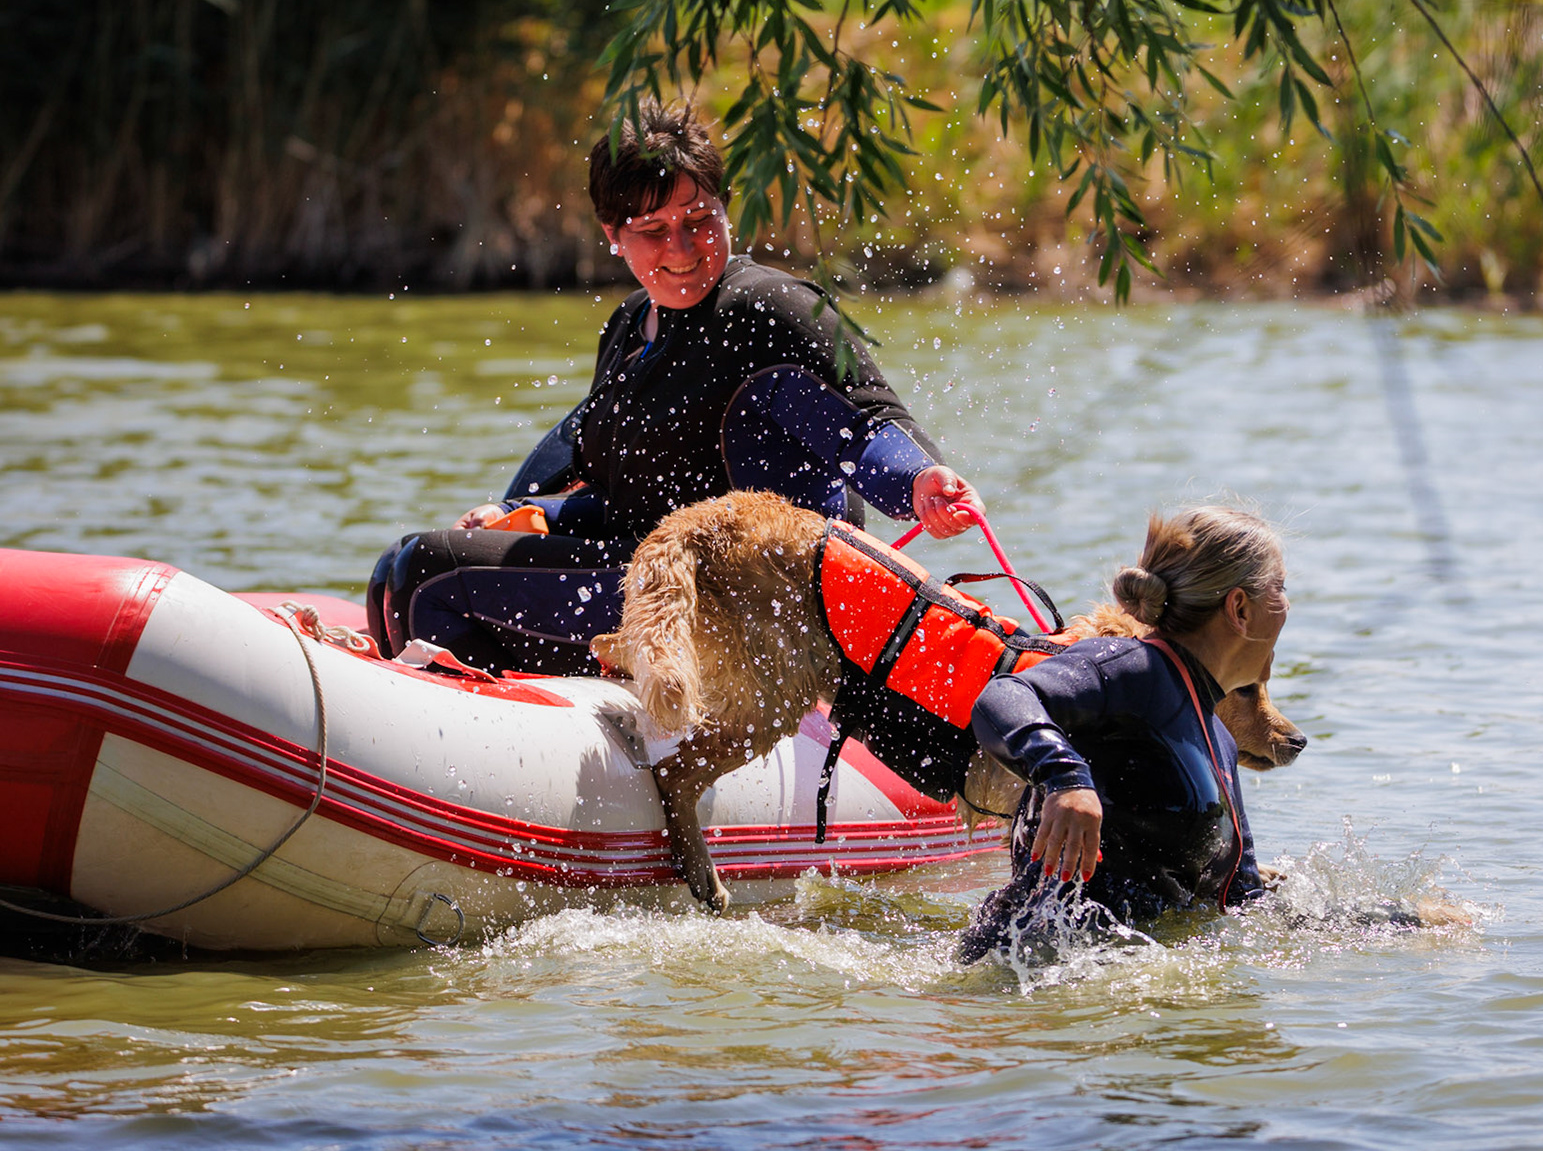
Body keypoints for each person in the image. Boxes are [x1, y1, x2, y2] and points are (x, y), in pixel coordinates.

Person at [367, 99, 983, 674]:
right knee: (395, 566)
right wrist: (526, 515)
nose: (682, 248)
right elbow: (624, 502)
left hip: (742, 613)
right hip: (645, 577)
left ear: (725, 208)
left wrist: (920, 480)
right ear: (612, 233)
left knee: (427, 575)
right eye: (653, 230)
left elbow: (868, 425)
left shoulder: (770, 311)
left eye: (698, 219)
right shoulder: (630, 326)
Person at [957, 506, 1288, 964]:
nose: (1287, 606)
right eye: (1280, 588)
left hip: (1120, 986)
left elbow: (1245, 905)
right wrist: (1065, 778)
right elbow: (1004, 697)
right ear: (1239, 609)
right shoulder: (1130, 669)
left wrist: (1380, 922)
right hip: (1021, 979)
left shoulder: (1220, 741)